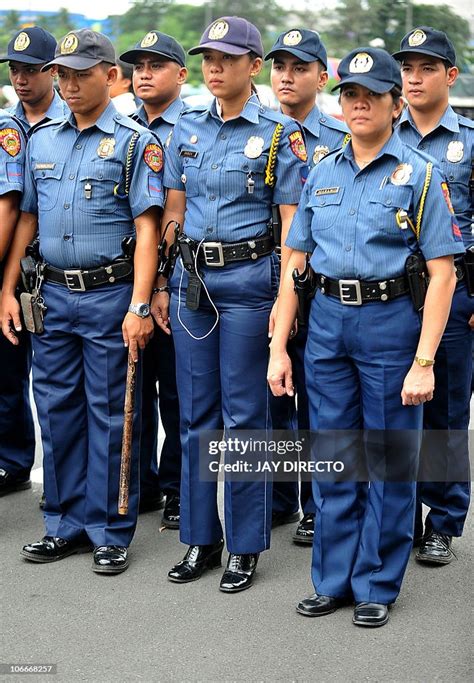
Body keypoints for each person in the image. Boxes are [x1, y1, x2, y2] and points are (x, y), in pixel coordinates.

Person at [268, 47, 464, 626]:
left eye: (371, 96)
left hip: (390, 326)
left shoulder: (421, 176)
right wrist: (280, 346)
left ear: (394, 104)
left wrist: (424, 359)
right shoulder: (321, 171)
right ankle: (332, 579)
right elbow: (294, 264)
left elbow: (443, 274)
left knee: (389, 460)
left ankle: (376, 582)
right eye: (349, 95)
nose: (357, 105)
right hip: (328, 324)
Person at [1, 29, 164, 574]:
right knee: (58, 411)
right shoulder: (42, 138)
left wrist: (140, 306)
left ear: (110, 76)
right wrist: (7, 289)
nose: (68, 85)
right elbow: (27, 218)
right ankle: (63, 523)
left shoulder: (135, 142)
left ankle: (110, 528)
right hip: (51, 296)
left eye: (80, 74)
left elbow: (148, 230)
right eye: (62, 74)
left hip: (109, 296)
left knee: (112, 414)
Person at [154, 16, 306, 592]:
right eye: (207, 58)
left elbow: (294, 232)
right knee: (195, 417)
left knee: (245, 419)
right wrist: (165, 284)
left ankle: (244, 546)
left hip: (249, 285)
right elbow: (173, 212)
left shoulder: (277, 134)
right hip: (194, 283)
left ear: (254, 65)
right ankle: (200, 539)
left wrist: (283, 303)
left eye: (227, 57)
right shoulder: (187, 127)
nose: (213, 67)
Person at [265, 27, 349, 544]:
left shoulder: (342, 137)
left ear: (322, 77)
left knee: (322, 400)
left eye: (300, 68)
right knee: (272, 395)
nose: (288, 77)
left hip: (321, 286)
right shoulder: (256, 131)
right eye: (280, 67)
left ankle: (320, 504)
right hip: (263, 283)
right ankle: (277, 499)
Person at [393, 27, 473, 565]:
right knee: (391, 408)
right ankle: (398, 516)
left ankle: (442, 520)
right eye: (407, 68)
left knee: (445, 412)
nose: (414, 78)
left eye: (426, 68)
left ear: (451, 74)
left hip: (456, 291)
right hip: (391, 296)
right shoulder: (381, 132)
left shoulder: (467, 140)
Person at [120, 31, 188, 527]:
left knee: (176, 392)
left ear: (180, 75)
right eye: (138, 65)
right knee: (130, 388)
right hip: (123, 277)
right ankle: (137, 483)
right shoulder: (118, 126)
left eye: (157, 64)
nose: (144, 73)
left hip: (177, 280)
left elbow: (177, 213)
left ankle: (177, 488)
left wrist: (161, 281)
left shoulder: (194, 128)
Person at [0, 110, 34, 497]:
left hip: (23, 266)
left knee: (9, 373)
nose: (20, 79)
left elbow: (12, 207)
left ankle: (12, 460)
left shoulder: (5, 129)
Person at [0, 26, 68, 136]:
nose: (20, 80)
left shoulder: (74, 122)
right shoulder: (3, 122)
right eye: (14, 69)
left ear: (54, 69)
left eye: (30, 70)